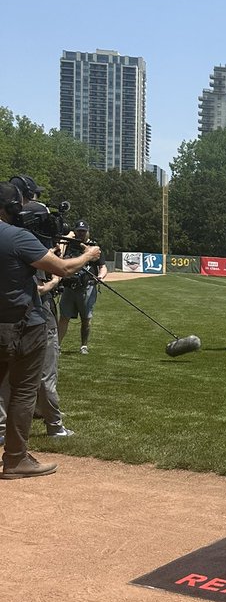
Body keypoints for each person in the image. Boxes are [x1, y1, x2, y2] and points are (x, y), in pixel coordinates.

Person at [0, 181, 101, 478]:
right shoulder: (18, 237)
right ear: (14, 207)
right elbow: (63, 268)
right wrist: (88, 256)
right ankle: (16, 459)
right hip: (23, 326)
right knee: (22, 393)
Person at [57, 219, 108, 354]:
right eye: (78, 231)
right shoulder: (67, 245)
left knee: (86, 318)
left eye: (83, 231)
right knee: (64, 317)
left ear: (88, 232)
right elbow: (60, 259)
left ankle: (83, 345)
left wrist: (101, 277)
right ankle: (57, 345)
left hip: (86, 287)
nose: (81, 234)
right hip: (69, 287)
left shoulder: (94, 248)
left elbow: (102, 267)